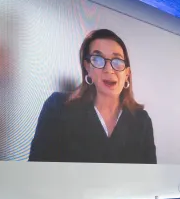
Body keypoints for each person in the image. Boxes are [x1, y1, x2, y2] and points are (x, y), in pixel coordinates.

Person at [29, 29, 156, 163]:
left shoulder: (142, 120)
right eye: (98, 60)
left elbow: (149, 175)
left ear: (127, 74)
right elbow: (35, 170)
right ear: (87, 68)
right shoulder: (57, 107)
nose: (109, 69)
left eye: (117, 61)